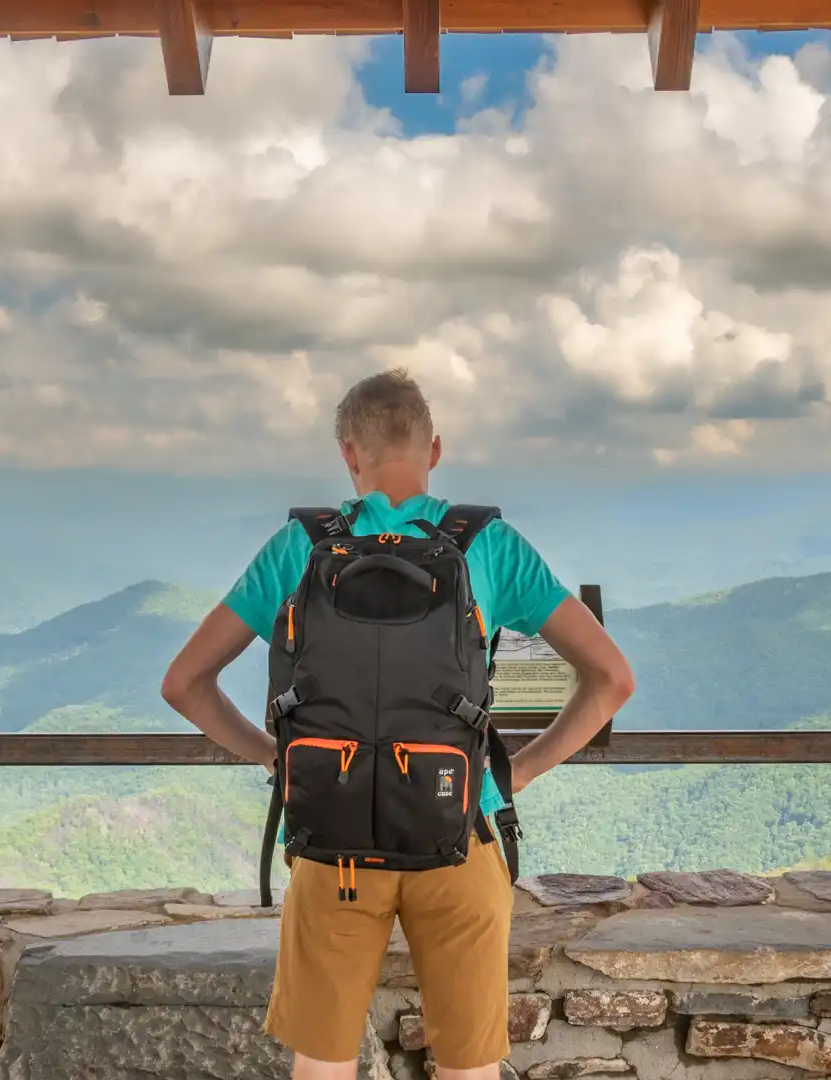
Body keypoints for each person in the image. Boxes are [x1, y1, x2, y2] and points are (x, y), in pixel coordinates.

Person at [162, 368, 635, 1080]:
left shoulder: (301, 546)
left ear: (349, 454)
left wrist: (274, 760)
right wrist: (518, 773)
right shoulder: (489, 544)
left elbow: (184, 684)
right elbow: (612, 679)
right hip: (461, 833)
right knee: (468, 1066)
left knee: (322, 1063)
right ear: (434, 449)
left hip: (331, 840)